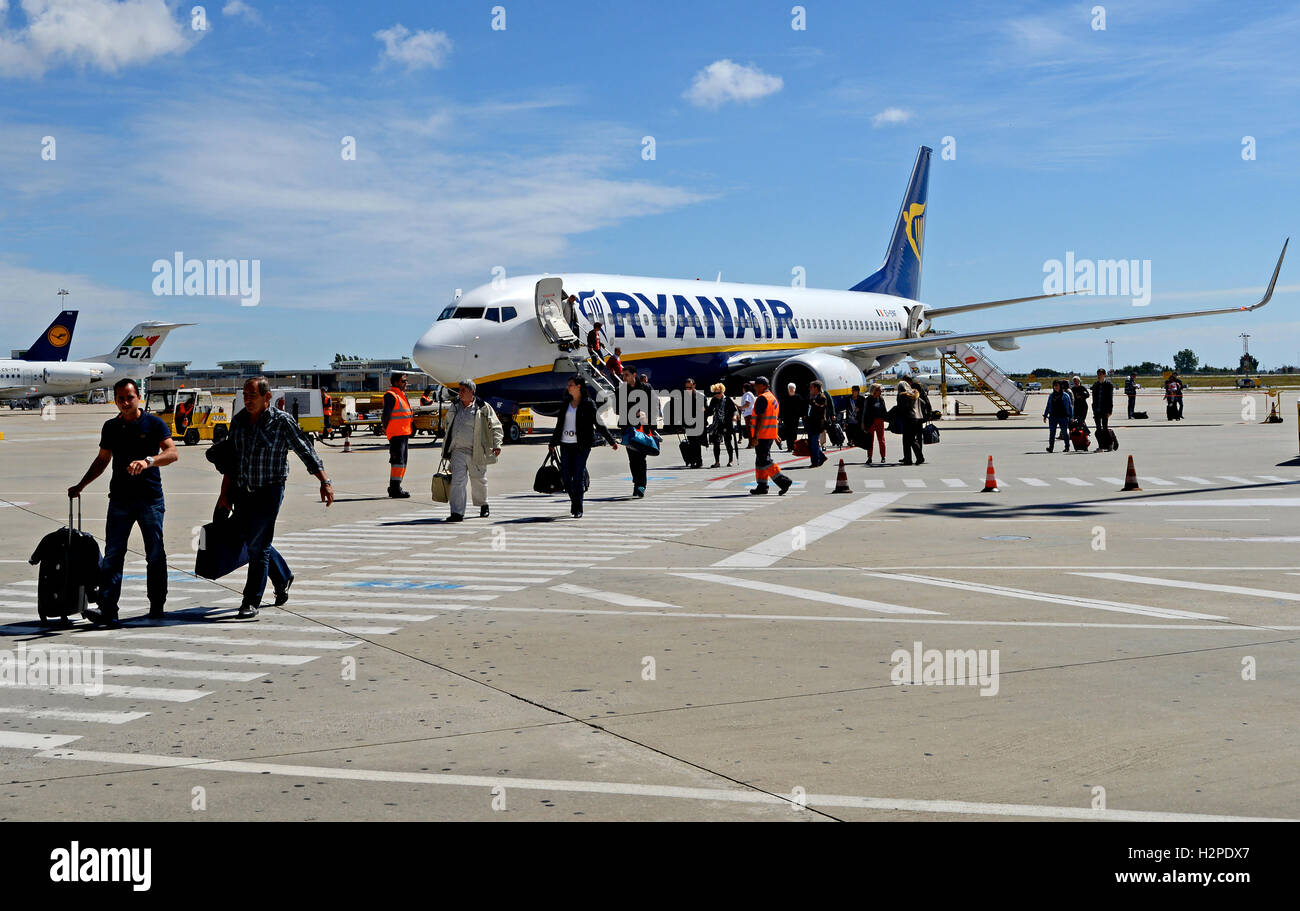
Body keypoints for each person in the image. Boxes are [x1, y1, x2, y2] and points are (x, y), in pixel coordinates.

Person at [218, 376, 334, 619]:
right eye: (245, 395)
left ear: (267, 397)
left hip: (269, 491)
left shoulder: (282, 421)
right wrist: (224, 494)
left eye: (252, 395)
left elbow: (305, 450)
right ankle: (283, 577)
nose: (247, 399)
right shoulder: (238, 422)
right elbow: (231, 461)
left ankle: (251, 601)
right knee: (253, 541)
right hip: (243, 490)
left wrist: (324, 481)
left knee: (258, 546)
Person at [68, 378, 178, 626]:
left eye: (129, 397)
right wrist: (81, 485)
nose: (125, 402)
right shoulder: (111, 427)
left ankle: (157, 605)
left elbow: (172, 453)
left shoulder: (154, 424)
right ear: (115, 400)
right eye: (120, 398)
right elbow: (102, 460)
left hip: (150, 500)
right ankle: (108, 610)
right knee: (114, 555)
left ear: (138, 397)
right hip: (119, 500)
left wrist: (148, 461)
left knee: (155, 554)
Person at [549, 378, 618, 517]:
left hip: (582, 445)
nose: (568, 387)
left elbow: (599, 424)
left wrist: (611, 440)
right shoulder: (565, 404)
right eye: (568, 385)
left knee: (578, 475)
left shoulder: (588, 404)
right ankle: (575, 502)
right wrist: (552, 443)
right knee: (566, 477)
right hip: (565, 444)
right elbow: (559, 425)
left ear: (579, 387)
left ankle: (578, 508)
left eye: (571, 385)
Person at [441, 378, 503, 521]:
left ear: (472, 392)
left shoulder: (483, 407)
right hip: (458, 450)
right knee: (457, 481)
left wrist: (497, 444)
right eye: (459, 390)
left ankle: (483, 504)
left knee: (479, 480)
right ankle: (456, 513)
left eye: (463, 390)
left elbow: (496, 426)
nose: (460, 393)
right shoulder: (455, 406)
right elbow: (448, 424)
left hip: (477, 450)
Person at [750, 377, 792, 495]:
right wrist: (775, 434)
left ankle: (783, 481)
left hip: (762, 435)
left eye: (756, 385)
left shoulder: (762, 398)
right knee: (760, 461)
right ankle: (762, 486)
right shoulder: (772, 398)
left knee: (764, 460)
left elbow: (761, 418)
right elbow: (773, 419)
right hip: (769, 434)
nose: (755, 387)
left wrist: (755, 436)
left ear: (763, 386)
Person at [619, 364, 653, 497]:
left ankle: (641, 485)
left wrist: (645, 414)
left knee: (641, 457)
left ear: (634, 375)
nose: (624, 377)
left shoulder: (646, 388)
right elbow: (617, 409)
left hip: (643, 428)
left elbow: (654, 406)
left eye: (626, 375)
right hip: (628, 428)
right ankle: (636, 482)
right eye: (623, 375)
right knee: (632, 459)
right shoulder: (622, 390)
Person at [382, 372, 414, 498]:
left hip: (404, 432)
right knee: (397, 461)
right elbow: (386, 415)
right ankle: (395, 489)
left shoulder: (402, 395)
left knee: (403, 461)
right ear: (395, 382)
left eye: (406, 381)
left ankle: (396, 486)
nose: (406, 383)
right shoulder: (391, 395)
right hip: (396, 433)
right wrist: (385, 428)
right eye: (403, 381)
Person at [706, 382, 738, 468]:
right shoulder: (714, 400)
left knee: (728, 442)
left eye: (718, 393)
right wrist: (704, 410)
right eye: (715, 393)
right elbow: (709, 411)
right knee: (716, 443)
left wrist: (734, 416)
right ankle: (717, 462)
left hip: (727, 424)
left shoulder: (727, 399)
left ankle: (730, 460)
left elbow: (734, 410)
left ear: (722, 391)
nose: (717, 395)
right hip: (717, 424)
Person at [896, 378, 925, 465]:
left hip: (907, 418)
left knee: (909, 439)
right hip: (916, 418)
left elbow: (900, 408)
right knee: (910, 439)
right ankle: (909, 459)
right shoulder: (914, 394)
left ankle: (917, 458)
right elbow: (923, 403)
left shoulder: (902, 395)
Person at [1042, 379, 1075, 452]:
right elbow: (1048, 406)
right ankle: (1051, 447)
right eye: (1054, 386)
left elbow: (1070, 407)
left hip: (1063, 417)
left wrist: (1071, 417)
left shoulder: (1065, 395)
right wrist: (1045, 415)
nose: (1055, 387)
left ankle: (1067, 447)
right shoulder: (1051, 395)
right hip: (1053, 417)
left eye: (1057, 385)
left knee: (1064, 432)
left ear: (1060, 386)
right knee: (1052, 433)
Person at [682, 378, 708, 468]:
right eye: (686, 388)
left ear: (694, 386)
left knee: (696, 443)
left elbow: (706, 409)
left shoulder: (701, 395)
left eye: (690, 387)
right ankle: (693, 460)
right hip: (688, 423)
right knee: (691, 442)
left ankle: (698, 461)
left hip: (698, 423)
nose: (688, 389)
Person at [805, 380, 830, 468]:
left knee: (814, 443)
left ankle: (815, 462)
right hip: (810, 423)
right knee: (812, 443)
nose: (810, 389)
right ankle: (822, 457)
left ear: (816, 388)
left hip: (817, 424)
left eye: (811, 387)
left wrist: (813, 402)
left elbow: (820, 409)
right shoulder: (811, 396)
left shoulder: (822, 397)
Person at [862, 383, 889, 464]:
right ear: (875, 391)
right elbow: (865, 412)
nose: (881, 391)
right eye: (879, 390)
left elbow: (884, 410)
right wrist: (863, 423)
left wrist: (888, 418)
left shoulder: (881, 399)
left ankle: (883, 457)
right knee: (870, 440)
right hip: (871, 422)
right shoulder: (868, 399)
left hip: (880, 421)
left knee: (881, 440)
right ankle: (869, 457)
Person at [780, 382, 804, 453]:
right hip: (786, 418)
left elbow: (802, 407)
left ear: (795, 389)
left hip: (795, 417)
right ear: (788, 389)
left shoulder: (798, 397)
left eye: (792, 388)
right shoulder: (785, 397)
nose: (791, 390)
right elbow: (781, 408)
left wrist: (802, 415)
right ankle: (789, 447)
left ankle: (794, 446)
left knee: (794, 432)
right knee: (788, 432)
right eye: (790, 388)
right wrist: (780, 417)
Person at [1091, 369, 1114, 436]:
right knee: (1098, 429)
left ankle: (1108, 444)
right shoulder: (1095, 385)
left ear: (1104, 375)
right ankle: (1101, 443)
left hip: (1105, 410)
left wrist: (1110, 411)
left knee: (1105, 428)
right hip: (1097, 410)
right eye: (1098, 374)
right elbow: (1094, 398)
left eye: (1100, 374)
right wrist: (1094, 410)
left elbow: (1110, 398)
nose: (1099, 376)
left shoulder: (1108, 385)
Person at [740, 381, 757, 448]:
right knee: (751, 429)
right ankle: (753, 443)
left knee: (750, 430)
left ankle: (751, 444)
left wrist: (741, 407)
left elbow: (747, 404)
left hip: (749, 414)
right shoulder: (750, 394)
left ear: (744, 388)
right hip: (750, 414)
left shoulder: (747, 394)